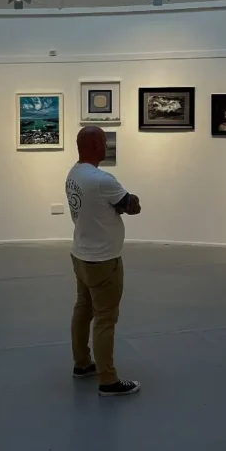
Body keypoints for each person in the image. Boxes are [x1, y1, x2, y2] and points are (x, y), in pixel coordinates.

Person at [65, 126, 142, 397]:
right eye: (103, 142)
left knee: (83, 309)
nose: (107, 146)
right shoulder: (102, 180)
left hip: (81, 255)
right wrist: (129, 202)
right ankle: (108, 380)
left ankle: (82, 363)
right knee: (105, 318)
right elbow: (132, 206)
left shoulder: (74, 174)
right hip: (103, 260)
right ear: (96, 145)